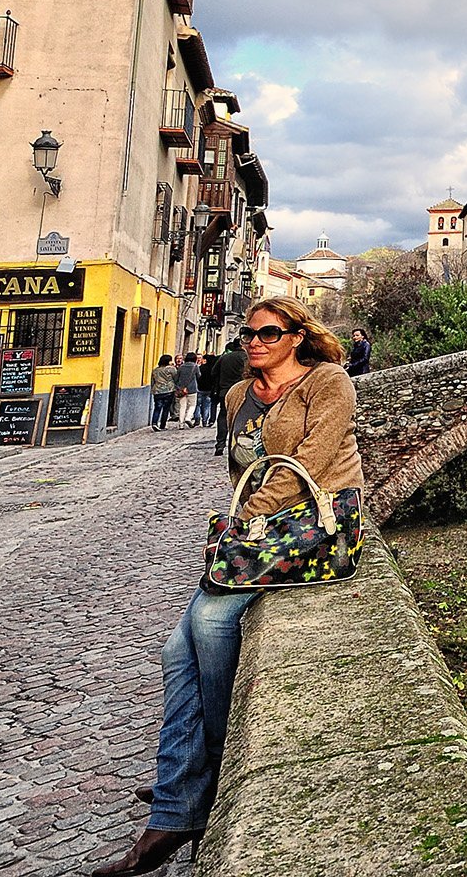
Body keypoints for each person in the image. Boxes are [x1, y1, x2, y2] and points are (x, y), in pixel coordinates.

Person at [92, 297, 359, 875]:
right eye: (248, 334)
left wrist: (243, 528)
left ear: (296, 336)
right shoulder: (239, 395)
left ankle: (203, 779)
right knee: (174, 647)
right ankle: (182, 798)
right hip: (259, 531)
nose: (255, 342)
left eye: (269, 332)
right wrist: (243, 525)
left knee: (211, 623)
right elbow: (241, 472)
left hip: (310, 528)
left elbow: (303, 468)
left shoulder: (328, 381)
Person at [211, 340, 247, 457]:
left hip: (225, 391)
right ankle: (239, 445)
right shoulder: (246, 358)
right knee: (242, 418)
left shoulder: (224, 358)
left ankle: (220, 444)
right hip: (243, 391)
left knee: (223, 417)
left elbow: (213, 372)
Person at [173, 352, 202, 427]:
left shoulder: (181, 366)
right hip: (192, 389)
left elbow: (176, 378)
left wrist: (179, 386)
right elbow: (199, 376)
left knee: (182, 406)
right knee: (192, 405)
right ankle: (188, 418)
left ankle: (181, 424)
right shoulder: (195, 366)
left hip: (182, 389)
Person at [150, 355, 177, 431]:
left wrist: (153, 389)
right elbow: (176, 378)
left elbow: (153, 381)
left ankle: (154, 423)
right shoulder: (171, 369)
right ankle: (162, 425)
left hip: (157, 391)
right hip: (169, 390)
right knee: (166, 409)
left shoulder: (155, 370)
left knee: (157, 408)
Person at [195, 353, 219, 427]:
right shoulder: (213, 369)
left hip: (200, 388)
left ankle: (197, 418)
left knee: (198, 405)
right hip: (209, 389)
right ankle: (205, 420)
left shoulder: (201, 368)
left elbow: (198, 377)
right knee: (206, 405)